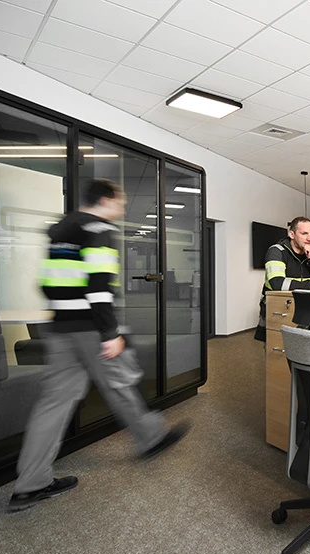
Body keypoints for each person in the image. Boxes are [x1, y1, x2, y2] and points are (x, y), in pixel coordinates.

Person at [10, 179, 188, 512]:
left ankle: (29, 483)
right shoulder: (98, 230)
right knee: (120, 383)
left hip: (59, 326)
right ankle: (151, 438)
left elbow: (47, 283)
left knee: (53, 402)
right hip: (91, 328)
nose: (121, 208)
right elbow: (98, 286)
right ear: (105, 200)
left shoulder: (61, 231)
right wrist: (109, 333)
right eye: (119, 202)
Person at [254, 216, 310, 341]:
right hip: (279, 308)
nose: (309, 238)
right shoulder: (277, 251)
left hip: (307, 309)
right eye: (304, 234)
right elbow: (277, 283)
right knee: (277, 349)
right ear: (292, 234)